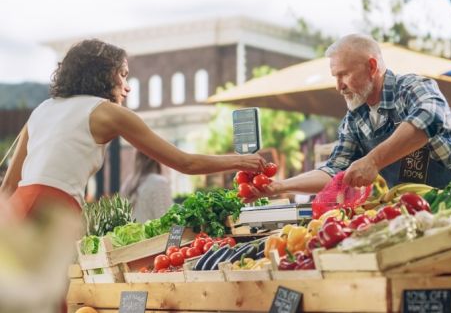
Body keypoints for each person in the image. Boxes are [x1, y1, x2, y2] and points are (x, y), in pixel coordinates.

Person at [0, 38, 266, 218]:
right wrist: (242, 161)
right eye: (123, 74)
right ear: (103, 74)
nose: (127, 87)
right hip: (53, 213)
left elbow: (8, 188)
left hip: (15, 211)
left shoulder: (43, 109)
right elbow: (185, 163)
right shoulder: (108, 112)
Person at [248, 34, 451, 201]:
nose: (339, 86)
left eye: (344, 74)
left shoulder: (412, 87)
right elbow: (333, 171)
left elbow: (428, 119)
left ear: (372, 66)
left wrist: (373, 160)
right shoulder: (354, 120)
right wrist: (278, 186)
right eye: (335, 77)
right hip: (414, 211)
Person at [120, 150, 172, 223]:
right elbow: (167, 223)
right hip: (155, 234)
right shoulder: (159, 183)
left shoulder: (128, 184)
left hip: (130, 234)